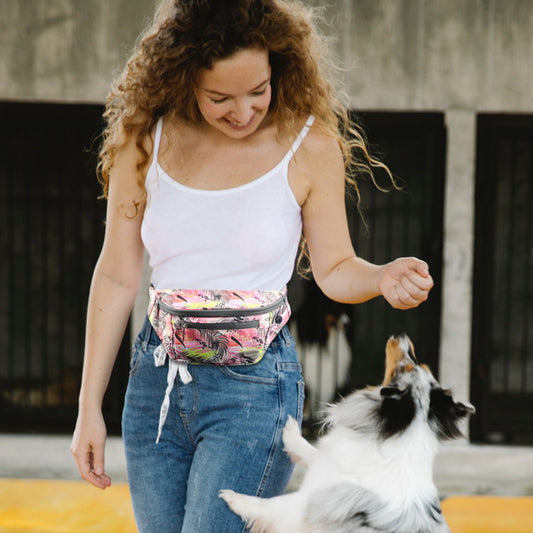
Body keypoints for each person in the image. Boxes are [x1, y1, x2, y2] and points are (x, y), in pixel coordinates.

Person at [70, 1, 434, 532]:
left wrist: (379, 277)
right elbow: (118, 275)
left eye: (257, 91)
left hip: (255, 390)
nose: (242, 112)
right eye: (220, 97)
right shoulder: (144, 140)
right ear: (184, 79)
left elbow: (334, 269)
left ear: (278, 71)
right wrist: (88, 408)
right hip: (156, 389)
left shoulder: (309, 145)